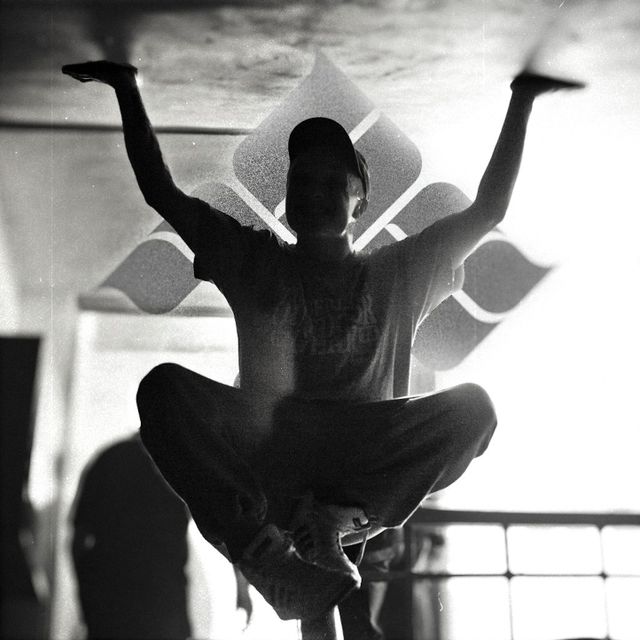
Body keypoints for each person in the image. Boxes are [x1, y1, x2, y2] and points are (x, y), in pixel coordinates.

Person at [62, 59, 583, 623]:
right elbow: (162, 192)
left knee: (474, 408)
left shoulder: (400, 271)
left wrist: (522, 100)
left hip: (360, 474)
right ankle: (265, 556)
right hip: (272, 462)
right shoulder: (253, 258)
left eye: (332, 185)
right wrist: (126, 89)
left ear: (360, 201)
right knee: (163, 390)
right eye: (301, 182)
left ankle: (335, 526)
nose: (313, 194)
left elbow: (488, 210)